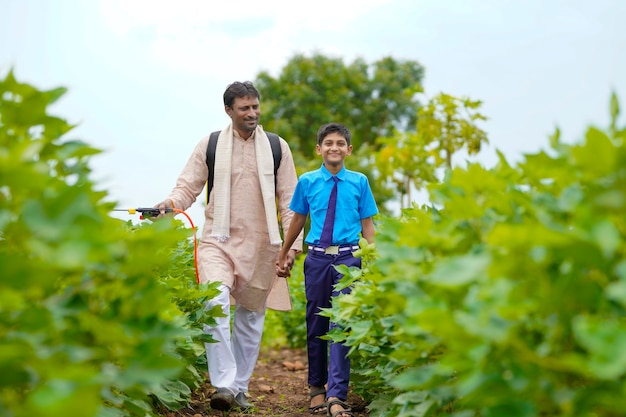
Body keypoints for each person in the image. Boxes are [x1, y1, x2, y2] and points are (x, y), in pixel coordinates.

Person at [154, 81, 303, 411]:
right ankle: (222, 384)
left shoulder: (278, 147)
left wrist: (292, 247)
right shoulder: (210, 144)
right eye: (244, 108)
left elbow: (291, 200)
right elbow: (186, 187)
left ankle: (239, 388)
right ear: (228, 111)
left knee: (251, 319)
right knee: (215, 302)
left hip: (263, 244)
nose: (252, 113)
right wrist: (169, 204)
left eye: (255, 106)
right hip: (217, 241)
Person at [276, 122, 378, 417]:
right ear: (319, 149)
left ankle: (337, 395)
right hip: (317, 259)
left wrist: (378, 259)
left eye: (340, 143)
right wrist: (284, 253)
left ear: (349, 149)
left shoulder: (359, 182)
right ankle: (316, 389)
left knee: (341, 324)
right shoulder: (308, 182)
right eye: (328, 143)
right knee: (317, 324)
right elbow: (297, 220)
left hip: (349, 260)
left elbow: (368, 225)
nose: (335, 147)